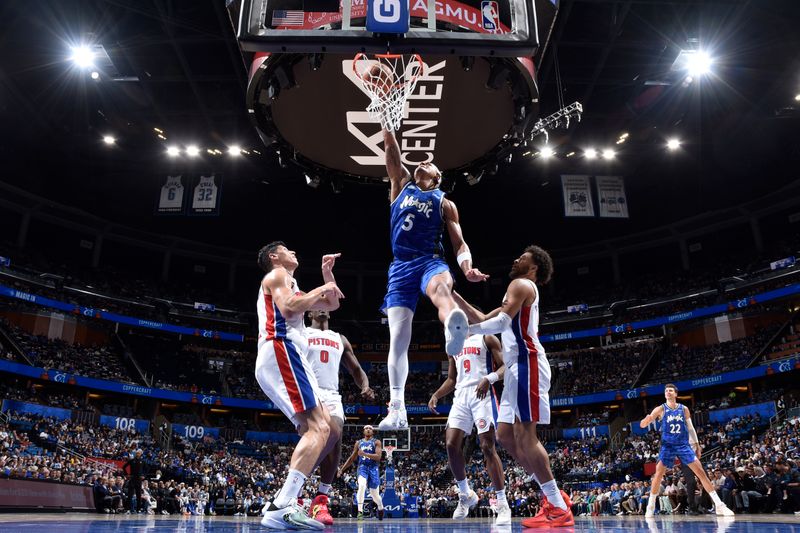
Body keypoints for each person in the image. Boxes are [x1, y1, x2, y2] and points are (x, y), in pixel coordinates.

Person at [452, 245, 574, 528]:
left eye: (524, 257)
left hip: (527, 363)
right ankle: (552, 496)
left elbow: (500, 322)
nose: (517, 258)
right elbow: (483, 319)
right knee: (505, 435)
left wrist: (465, 333)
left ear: (533, 268)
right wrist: (452, 294)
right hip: (515, 370)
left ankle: (557, 505)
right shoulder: (515, 290)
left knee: (526, 436)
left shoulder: (521, 284)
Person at [377, 127, 489, 430]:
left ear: (437, 177)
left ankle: (453, 323)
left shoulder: (444, 203)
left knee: (441, 290)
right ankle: (397, 409)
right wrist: (388, 126)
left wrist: (467, 268)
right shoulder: (400, 185)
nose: (423, 162)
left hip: (429, 260)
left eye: (429, 163)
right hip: (400, 266)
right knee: (398, 339)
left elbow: (459, 244)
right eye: (421, 162)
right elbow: (391, 150)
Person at [255, 241, 345, 530]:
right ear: (274, 256)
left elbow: (332, 304)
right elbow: (289, 307)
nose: (294, 251)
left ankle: (282, 502)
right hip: (282, 348)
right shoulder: (278, 276)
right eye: (287, 249)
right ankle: (283, 506)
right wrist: (320, 288)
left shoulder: (290, 283)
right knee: (320, 428)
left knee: (321, 428)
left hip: (284, 355)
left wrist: (326, 275)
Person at [428, 333, 511, 524]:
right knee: (450, 444)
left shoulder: (487, 338)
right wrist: (437, 394)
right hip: (461, 396)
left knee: (487, 447)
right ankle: (466, 495)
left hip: (483, 393)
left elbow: (506, 367)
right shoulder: (452, 344)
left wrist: (489, 378)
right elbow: (451, 379)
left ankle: (502, 503)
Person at [304, 309, 377, 525]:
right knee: (319, 439)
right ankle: (295, 488)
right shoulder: (302, 333)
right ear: (309, 312)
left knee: (336, 435)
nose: (322, 306)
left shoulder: (339, 339)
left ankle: (320, 500)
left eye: (326, 302)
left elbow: (356, 369)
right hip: (308, 392)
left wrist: (365, 385)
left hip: (332, 395)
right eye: (317, 302)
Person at [640, 383, 735, 517]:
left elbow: (690, 428)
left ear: (676, 394)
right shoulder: (660, 409)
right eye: (666, 390)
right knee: (658, 474)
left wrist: (696, 444)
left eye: (670, 390)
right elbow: (643, 425)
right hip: (668, 445)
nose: (668, 392)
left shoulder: (683, 409)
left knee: (701, 472)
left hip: (683, 445)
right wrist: (647, 419)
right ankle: (650, 506)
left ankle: (719, 505)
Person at [339, 425, 385, 519]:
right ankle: (360, 512)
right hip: (362, 467)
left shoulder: (376, 442)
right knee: (362, 485)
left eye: (370, 429)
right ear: (363, 431)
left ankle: (380, 507)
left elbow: (378, 457)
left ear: (373, 432)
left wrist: (364, 454)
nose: (368, 430)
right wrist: (341, 469)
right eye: (366, 428)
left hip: (373, 468)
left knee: (375, 495)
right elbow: (352, 458)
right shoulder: (359, 443)